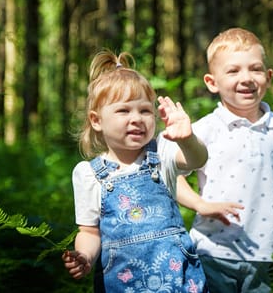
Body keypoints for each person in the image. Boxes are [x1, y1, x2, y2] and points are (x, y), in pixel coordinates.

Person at [176, 27, 273, 292]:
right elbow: (174, 177)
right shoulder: (203, 130)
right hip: (211, 251)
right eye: (233, 71)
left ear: (268, 77)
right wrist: (200, 204)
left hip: (264, 253)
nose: (247, 78)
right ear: (211, 82)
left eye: (255, 69)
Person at [62, 50, 209, 293]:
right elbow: (89, 231)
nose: (137, 119)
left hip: (178, 281)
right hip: (123, 284)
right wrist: (85, 256)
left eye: (144, 110)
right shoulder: (89, 175)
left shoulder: (162, 153)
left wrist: (188, 139)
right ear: (96, 120)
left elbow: (197, 158)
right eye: (123, 111)